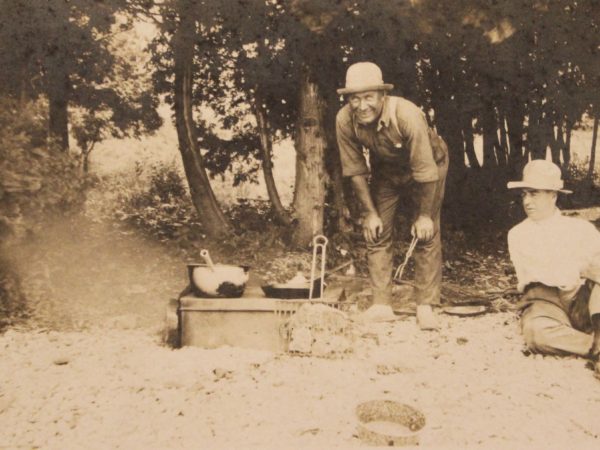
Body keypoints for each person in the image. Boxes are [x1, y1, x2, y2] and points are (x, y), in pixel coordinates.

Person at [335, 62, 448, 328]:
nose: (362, 106)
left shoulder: (406, 115)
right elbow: (354, 170)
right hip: (387, 170)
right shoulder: (344, 120)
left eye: (368, 97)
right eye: (355, 98)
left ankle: (426, 306)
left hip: (429, 166)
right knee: (375, 231)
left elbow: (426, 170)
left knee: (426, 232)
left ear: (382, 96)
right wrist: (370, 213)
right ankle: (381, 304)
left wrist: (423, 216)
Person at [507, 159, 600, 375]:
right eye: (524, 195)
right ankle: (593, 346)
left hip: (582, 300)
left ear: (554, 195)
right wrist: (581, 268)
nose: (527, 201)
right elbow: (541, 274)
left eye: (534, 193)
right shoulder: (518, 235)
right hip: (546, 301)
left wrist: (588, 272)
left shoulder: (580, 228)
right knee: (535, 333)